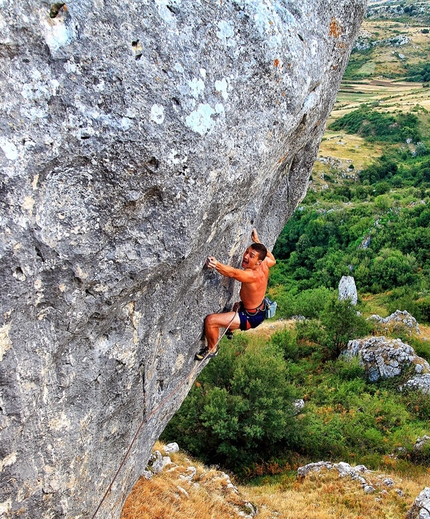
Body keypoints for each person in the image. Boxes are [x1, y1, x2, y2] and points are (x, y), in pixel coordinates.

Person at [195, 228, 276, 360]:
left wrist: (216, 264)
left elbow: (233, 273)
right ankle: (230, 330)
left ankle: (212, 349)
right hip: (257, 308)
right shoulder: (265, 263)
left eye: (251, 255)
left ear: (258, 261)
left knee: (211, 321)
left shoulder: (251, 275)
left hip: (250, 317)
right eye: (247, 251)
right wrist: (257, 241)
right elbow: (273, 258)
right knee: (236, 305)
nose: (245, 256)